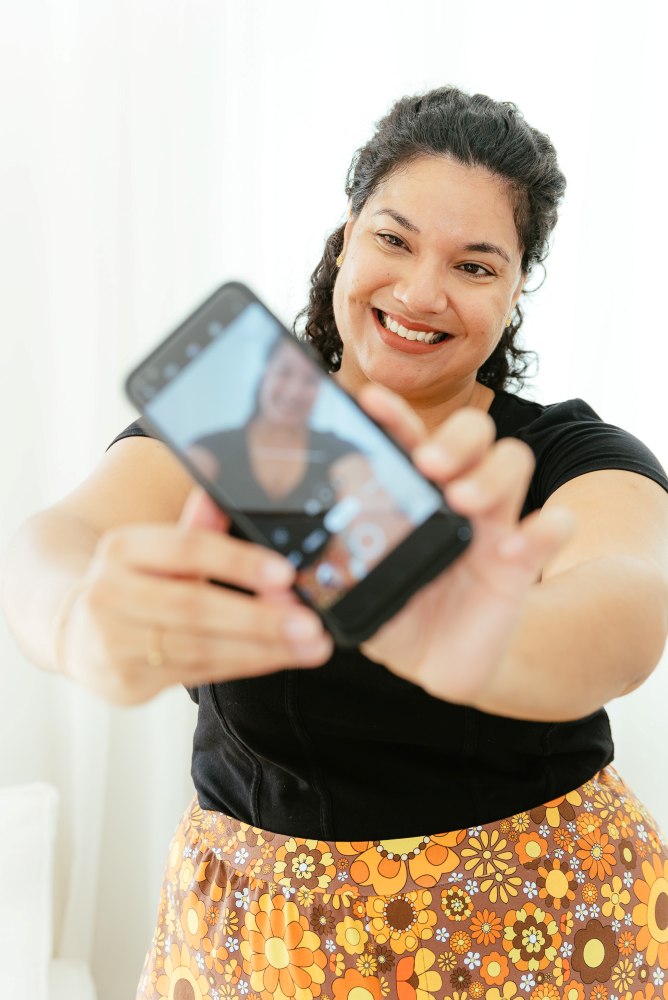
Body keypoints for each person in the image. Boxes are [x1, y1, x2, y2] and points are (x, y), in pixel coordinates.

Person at [2, 86, 668, 1000]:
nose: (421, 291)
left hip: (541, 926)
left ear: (515, 295)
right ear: (345, 240)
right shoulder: (243, 427)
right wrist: (76, 618)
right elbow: (57, 540)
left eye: (476, 266)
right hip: (260, 944)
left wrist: (488, 637)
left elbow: (631, 599)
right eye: (393, 239)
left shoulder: (567, 453)